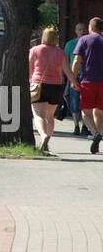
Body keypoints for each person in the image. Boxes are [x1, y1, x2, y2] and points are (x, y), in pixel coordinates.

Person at [29, 26, 79, 154]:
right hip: (56, 86)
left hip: (39, 85)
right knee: (50, 116)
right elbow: (67, 71)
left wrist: (29, 81)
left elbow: (29, 69)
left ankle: (43, 135)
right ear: (55, 38)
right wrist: (74, 83)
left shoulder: (34, 50)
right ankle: (48, 140)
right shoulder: (60, 52)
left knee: (38, 115)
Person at [72, 18, 103, 154]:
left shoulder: (84, 40)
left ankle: (96, 134)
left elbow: (77, 60)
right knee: (99, 112)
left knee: (85, 112)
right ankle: (98, 138)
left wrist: (73, 80)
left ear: (90, 27)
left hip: (88, 81)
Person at [63, 22, 88, 135]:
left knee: (85, 102)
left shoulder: (89, 43)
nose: (81, 31)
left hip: (87, 76)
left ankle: (85, 125)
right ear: (75, 31)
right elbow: (65, 60)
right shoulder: (70, 44)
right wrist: (65, 75)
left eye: (83, 29)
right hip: (74, 75)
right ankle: (76, 125)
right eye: (79, 29)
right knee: (73, 100)